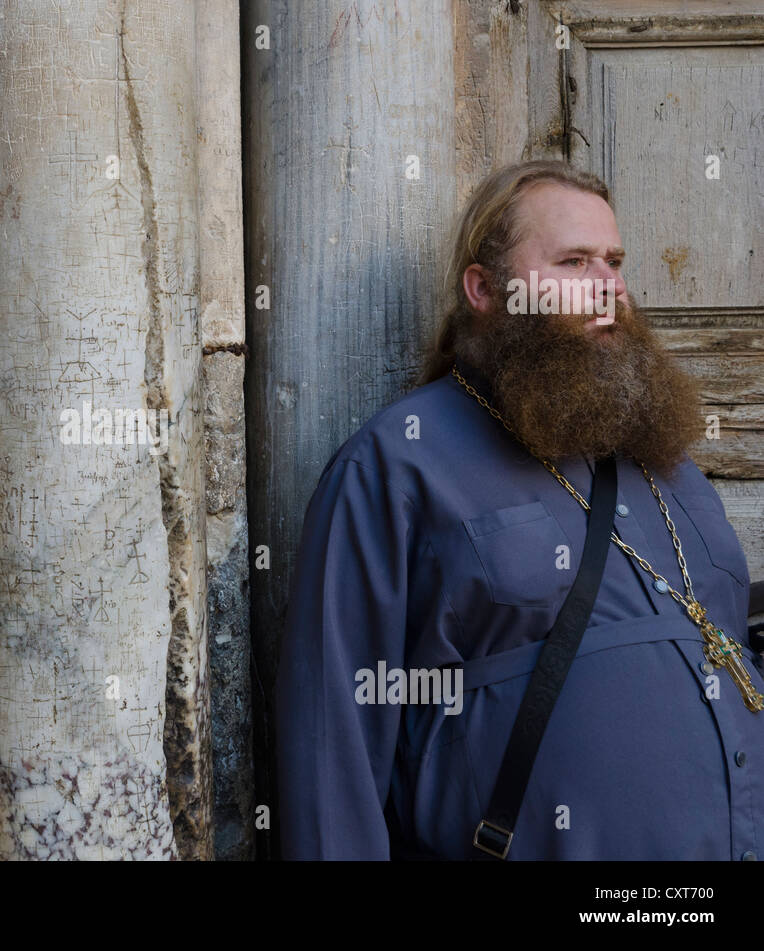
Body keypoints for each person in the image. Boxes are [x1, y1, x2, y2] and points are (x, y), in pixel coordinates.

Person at [276, 160, 763, 860]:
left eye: (614, 260)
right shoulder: (399, 462)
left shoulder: (672, 468)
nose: (609, 286)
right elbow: (332, 745)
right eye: (573, 261)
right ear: (485, 289)